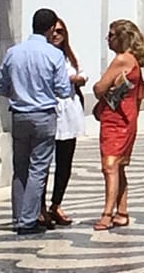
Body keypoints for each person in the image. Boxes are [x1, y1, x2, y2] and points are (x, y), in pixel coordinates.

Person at [0, 8, 75, 235]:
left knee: (19, 169)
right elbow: (62, 89)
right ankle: (28, 220)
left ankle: (18, 216)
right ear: (51, 29)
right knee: (38, 169)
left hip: (19, 114)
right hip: (43, 115)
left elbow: (1, 86)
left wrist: (20, 91)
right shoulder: (53, 55)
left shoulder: (13, 52)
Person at [91, 19, 144, 232]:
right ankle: (122, 211)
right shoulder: (134, 62)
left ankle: (107, 212)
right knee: (119, 167)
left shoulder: (122, 60)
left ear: (122, 38)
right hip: (128, 119)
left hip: (115, 121)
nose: (108, 38)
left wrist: (101, 88)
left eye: (112, 34)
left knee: (110, 166)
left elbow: (99, 89)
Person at [43, 18, 90, 228]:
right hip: (51, 109)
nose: (56, 35)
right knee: (43, 163)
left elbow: (82, 74)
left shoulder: (71, 56)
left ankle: (56, 204)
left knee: (65, 162)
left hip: (69, 111)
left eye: (60, 31)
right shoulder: (44, 55)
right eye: (53, 31)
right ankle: (40, 206)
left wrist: (77, 79)